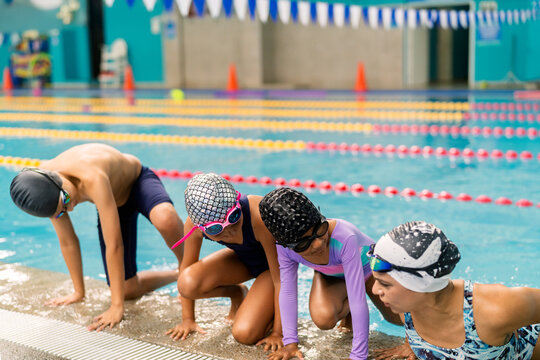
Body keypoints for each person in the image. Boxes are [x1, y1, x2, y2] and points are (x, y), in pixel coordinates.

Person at [9, 143, 184, 331]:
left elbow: (114, 245)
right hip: (114, 204)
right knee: (127, 290)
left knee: (165, 218)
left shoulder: (92, 177)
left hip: (137, 181)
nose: (71, 209)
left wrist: (117, 306)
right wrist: (78, 292)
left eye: (66, 201)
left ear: (58, 181)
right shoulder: (46, 195)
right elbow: (68, 242)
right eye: (62, 212)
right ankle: (176, 274)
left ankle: (186, 264)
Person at [259, 187, 402, 360]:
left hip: (372, 271)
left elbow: (358, 300)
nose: (318, 244)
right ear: (285, 245)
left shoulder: (344, 237)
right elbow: (288, 292)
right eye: (304, 244)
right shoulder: (285, 250)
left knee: (399, 319)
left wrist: (358, 355)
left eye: (320, 230)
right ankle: (347, 313)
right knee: (323, 318)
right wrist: (290, 343)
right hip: (333, 275)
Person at [369, 221, 540, 360]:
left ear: (421, 285)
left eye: (385, 284)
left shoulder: (495, 310)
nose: (376, 290)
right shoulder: (406, 306)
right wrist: (412, 344)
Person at [165, 173, 283, 352]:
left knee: (245, 334)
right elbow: (186, 267)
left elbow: (281, 278)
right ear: (201, 227)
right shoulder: (193, 225)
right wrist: (188, 319)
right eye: (216, 229)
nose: (229, 232)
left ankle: (270, 310)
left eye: (234, 218)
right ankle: (237, 292)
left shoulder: (258, 214)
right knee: (186, 283)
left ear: (236, 205)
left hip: (273, 271)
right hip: (243, 261)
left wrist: (280, 333)